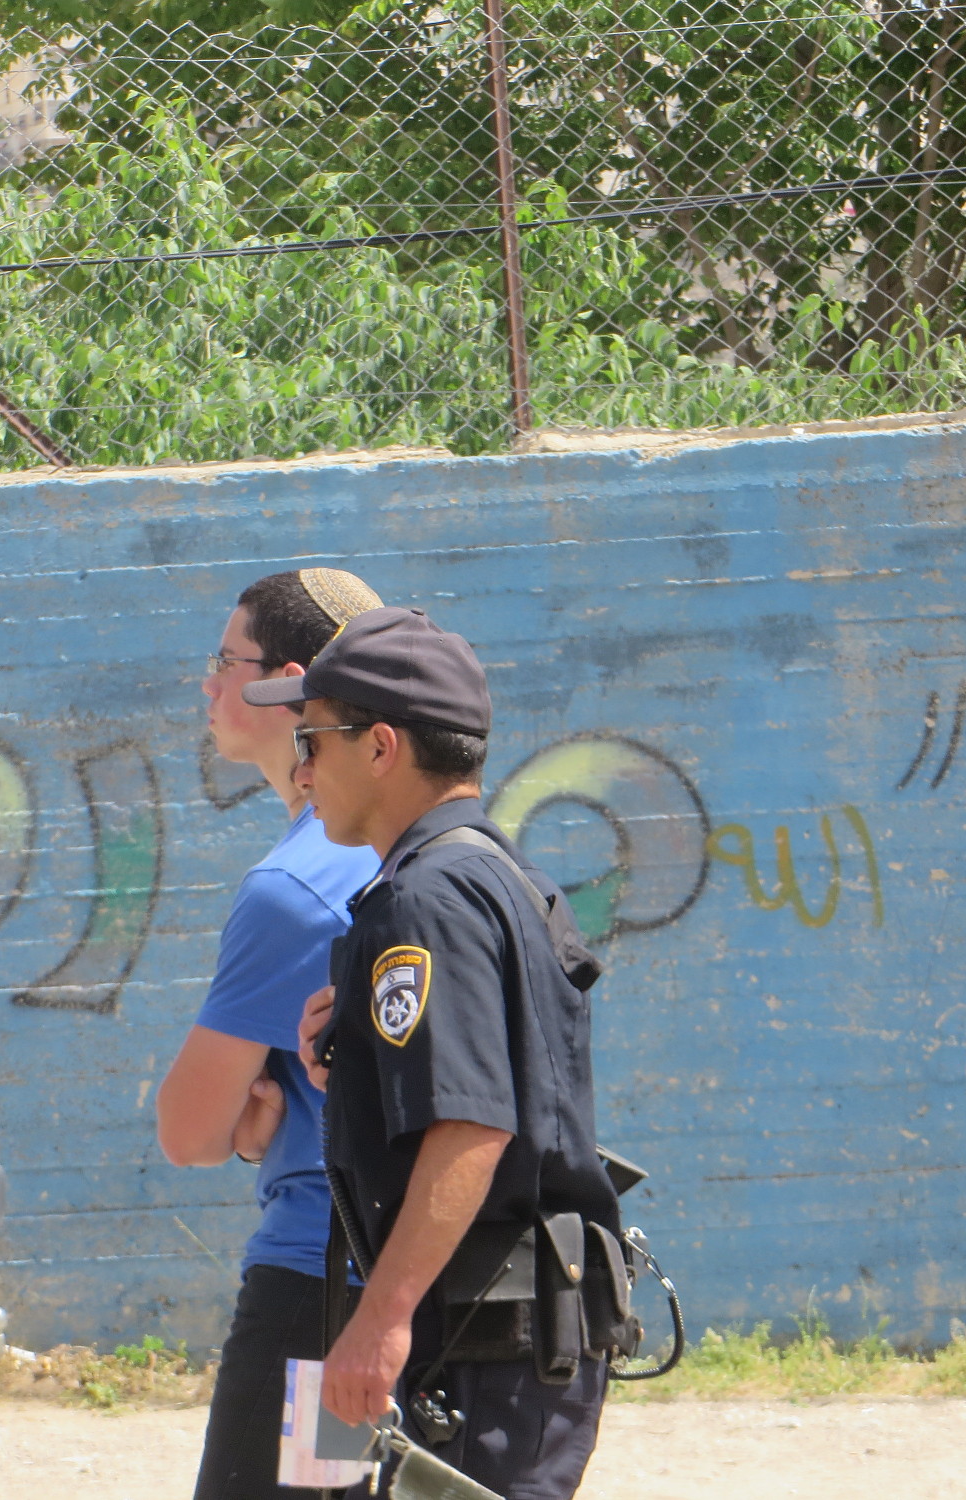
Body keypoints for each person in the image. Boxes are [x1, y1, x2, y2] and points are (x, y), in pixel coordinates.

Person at [243, 606, 621, 1500]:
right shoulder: (486, 874)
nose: (300, 771)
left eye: (313, 739)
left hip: (470, 1346)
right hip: (468, 1332)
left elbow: (473, 1127)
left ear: (380, 746)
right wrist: (360, 1059)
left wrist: (381, 1323)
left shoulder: (431, 900)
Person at [156, 568, 386, 1500]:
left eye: (224, 661)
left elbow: (189, 1132)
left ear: (286, 682)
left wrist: (254, 1109)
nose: (207, 684)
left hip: (314, 1294)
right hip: (397, 1282)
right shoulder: (407, 840)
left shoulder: (292, 888)